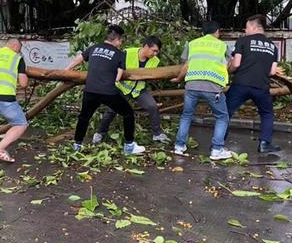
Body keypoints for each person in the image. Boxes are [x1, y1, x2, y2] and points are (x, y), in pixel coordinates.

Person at [65, 24, 145, 155]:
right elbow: (118, 77)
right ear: (118, 40)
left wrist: (66, 72)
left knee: (84, 117)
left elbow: (77, 60)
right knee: (128, 113)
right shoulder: (120, 54)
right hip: (108, 92)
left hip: (90, 90)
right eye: (121, 41)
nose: (120, 44)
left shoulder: (94, 48)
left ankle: (77, 145)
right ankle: (129, 146)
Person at [171, 21, 231, 160]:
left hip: (191, 85)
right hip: (212, 86)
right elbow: (230, 62)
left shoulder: (192, 44)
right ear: (217, 32)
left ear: (203, 33)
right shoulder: (222, 45)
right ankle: (217, 149)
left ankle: (179, 146)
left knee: (186, 115)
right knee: (222, 117)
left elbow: (186, 65)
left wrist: (179, 79)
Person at [93, 36, 169, 144]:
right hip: (122, 87)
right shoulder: (127, 53)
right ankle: (100, 133)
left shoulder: (155, 60)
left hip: (138, 89)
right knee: (111, 110)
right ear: (146, 46)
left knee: (152, 106)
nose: (155, 54)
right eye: (154, 51)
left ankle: (157, 134)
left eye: (157, 52)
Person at [226, 14, 281, 153]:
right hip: (261, 86)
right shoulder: (272, 47)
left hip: (241, 84)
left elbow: (236, 63)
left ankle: (218, 143)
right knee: (267, 114)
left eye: (246, 27)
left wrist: (229, 70)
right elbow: (272, 72)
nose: (245, 30)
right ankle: (264, 144)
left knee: (225, 113)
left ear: (253, 26)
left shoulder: (243, 41)